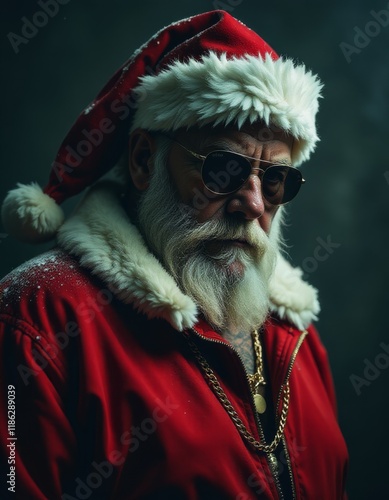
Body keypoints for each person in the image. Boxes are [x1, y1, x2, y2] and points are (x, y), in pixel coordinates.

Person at [0, 10, 348, 500]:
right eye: (224, 168)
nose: (252, 204)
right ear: (145, 161)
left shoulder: (296, 334)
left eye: (275, 180)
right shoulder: (38, 317)